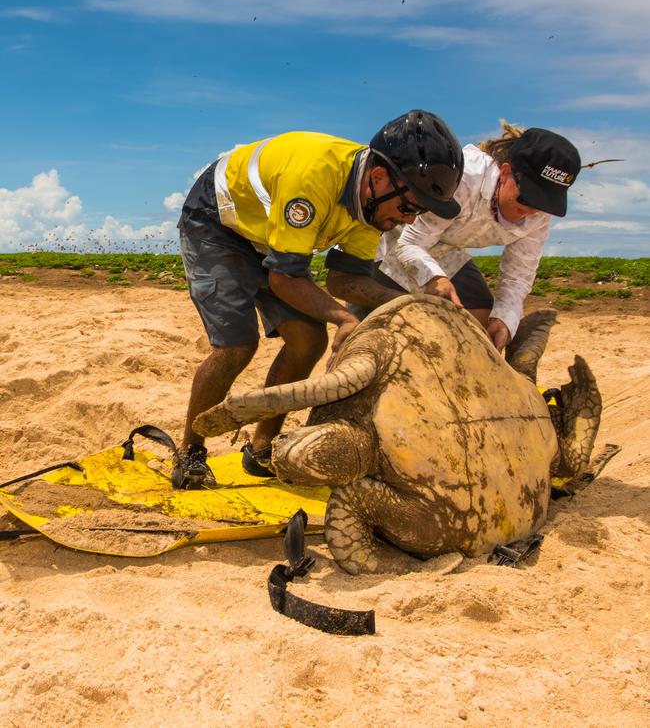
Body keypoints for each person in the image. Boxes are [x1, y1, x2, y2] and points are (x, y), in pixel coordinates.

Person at [173, 110, 464, 488]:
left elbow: (347, 280)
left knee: (309, 340)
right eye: (409, 207)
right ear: (378, 178)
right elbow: (283, 279)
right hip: (218, 224)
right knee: (236, 346)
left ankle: (263, 449)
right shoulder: (312, 178)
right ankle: (190, 453)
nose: (409, 220)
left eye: (419, 212)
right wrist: (345, 318)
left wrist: (410, 303)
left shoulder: (372, 209)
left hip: (272, 240)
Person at [369, 121, 582, 352]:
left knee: (481, 321)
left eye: (543, 204)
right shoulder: (463, 177)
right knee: (369, 333)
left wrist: (504, 320)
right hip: (393, 237)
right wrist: (434, 278)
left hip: (447, 249)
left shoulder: (538, 215)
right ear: (506, 171)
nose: (531, 211)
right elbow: (410, 243)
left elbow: (518, 276)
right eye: (526, 198)